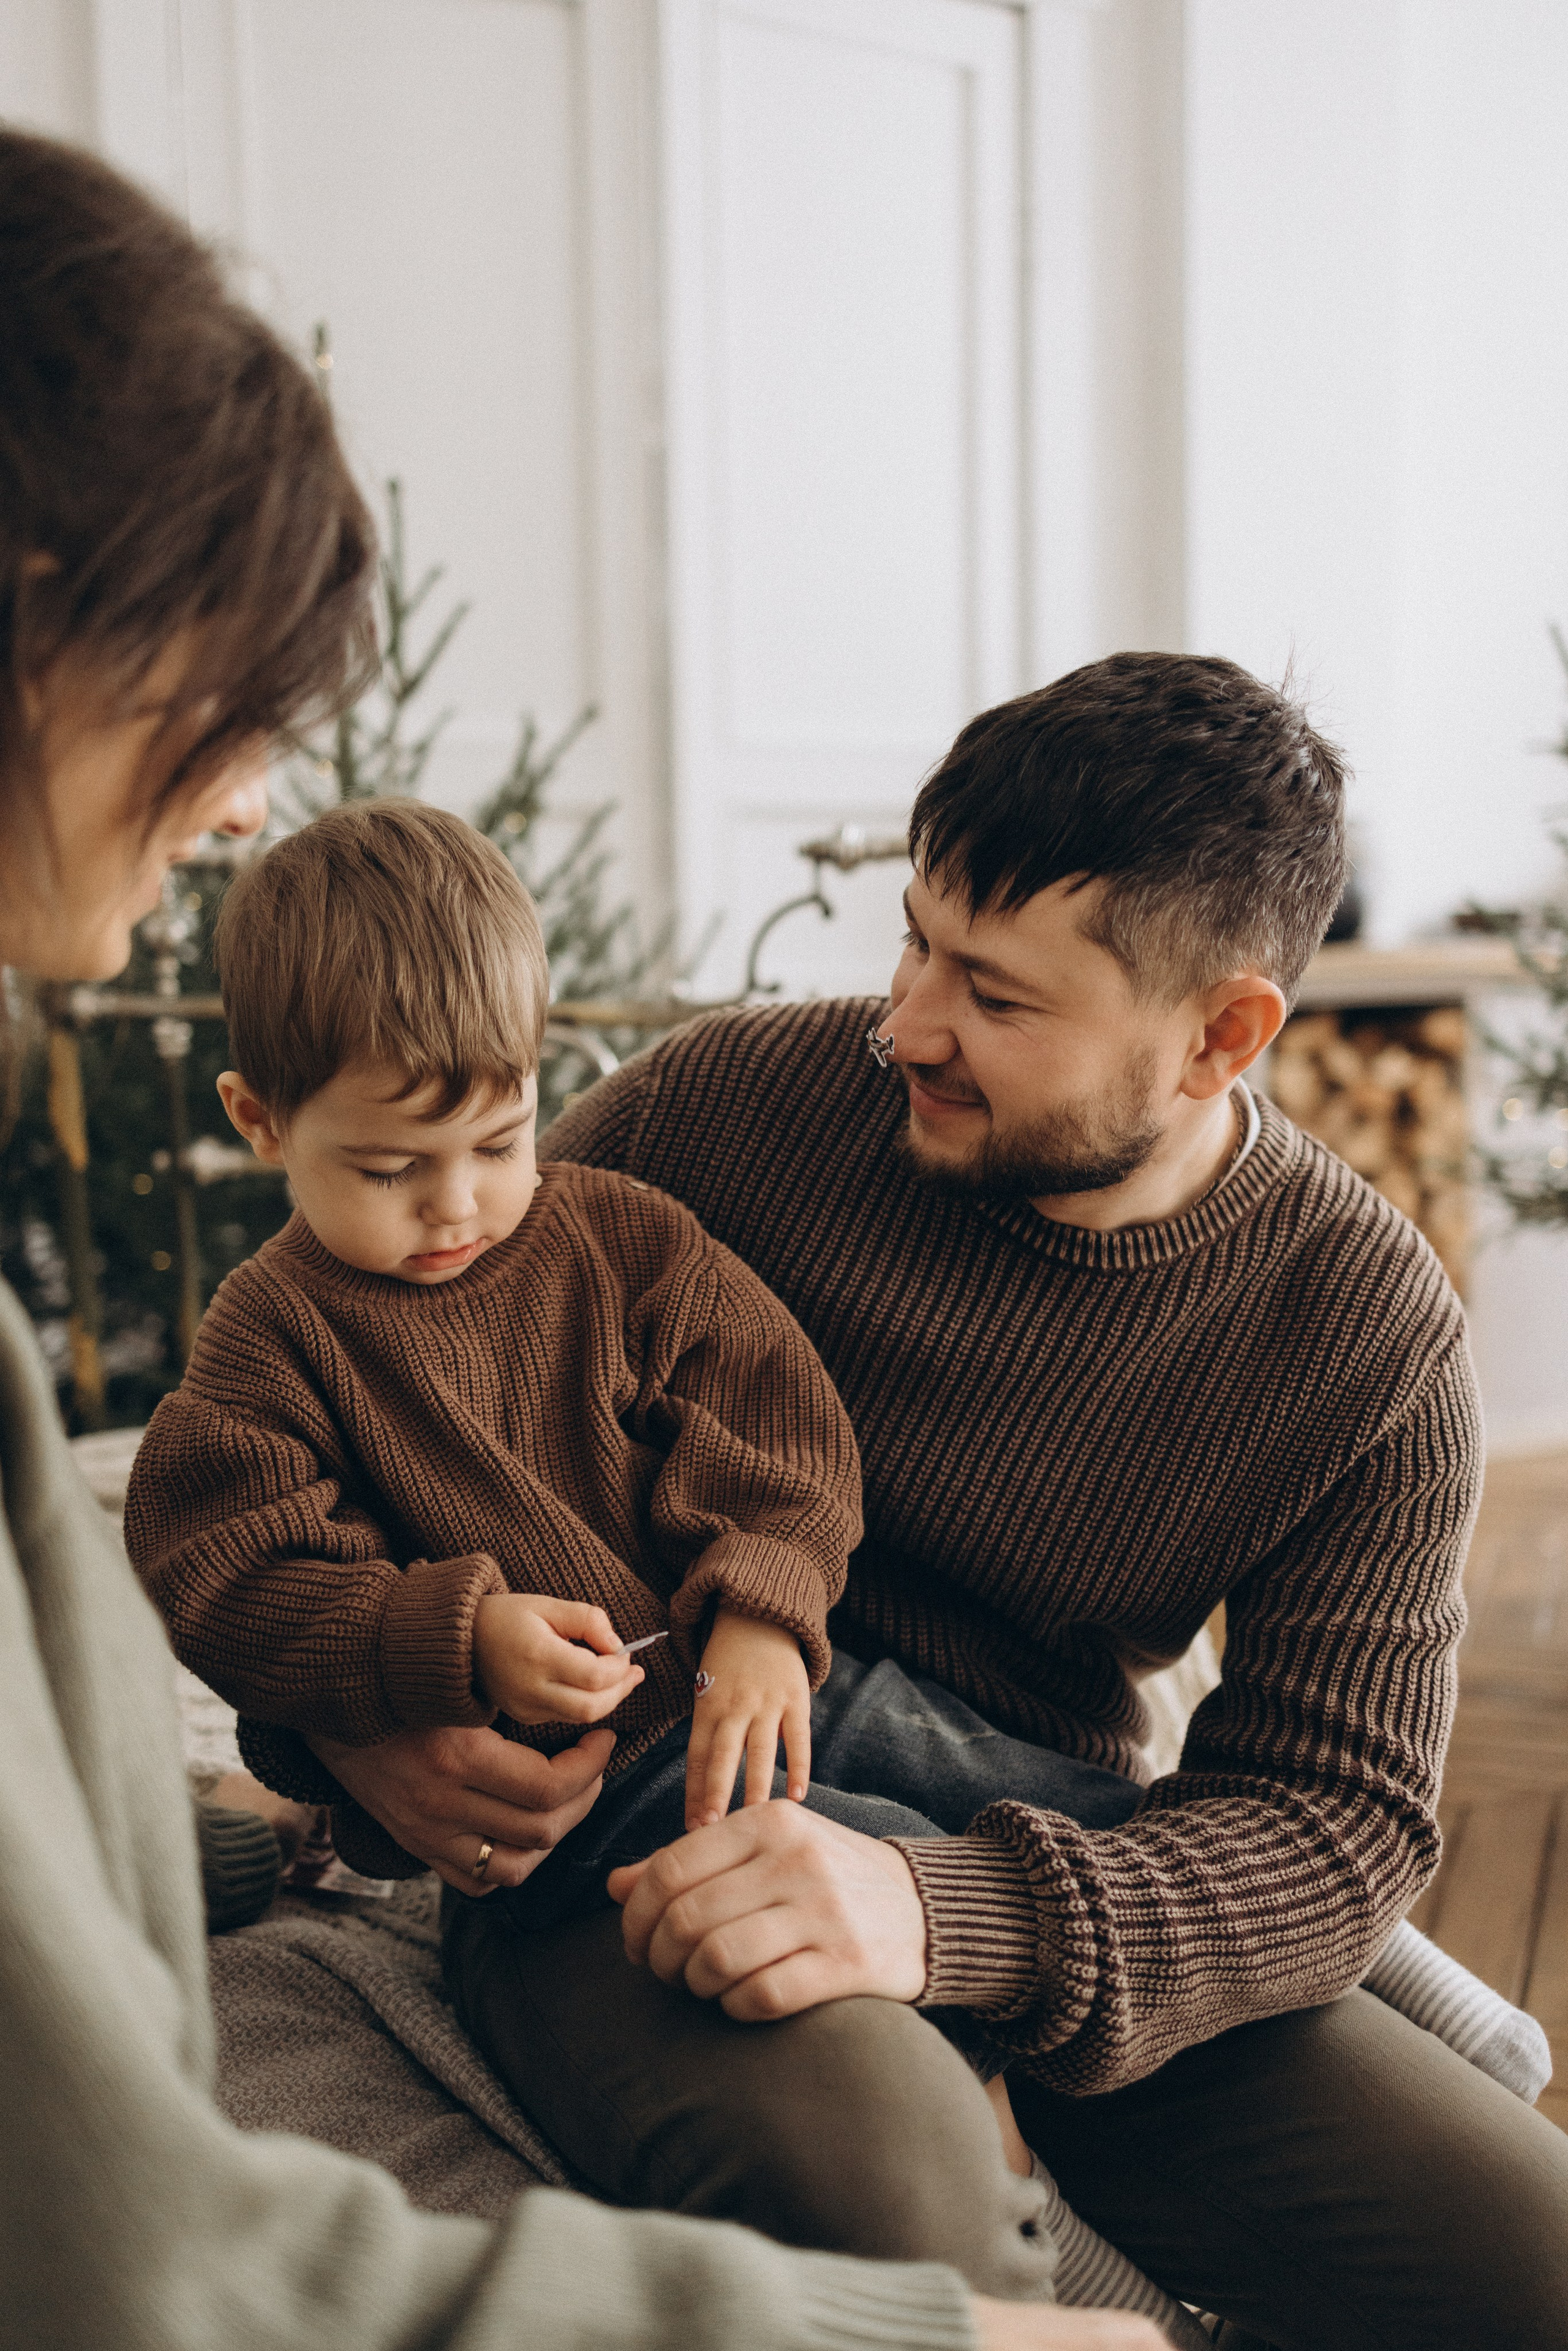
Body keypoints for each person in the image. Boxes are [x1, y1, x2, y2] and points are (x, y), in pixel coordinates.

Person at [0, 120, 1165, 2351]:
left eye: (495, 1145)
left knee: (1009, 1785)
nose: (244, 793)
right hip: (567, 1824)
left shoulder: (621, 1218)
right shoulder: (276, 1340)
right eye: (208, 691)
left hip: (765, 1697)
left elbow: (772, 1427)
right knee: (852, 2026)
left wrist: (754, 1617)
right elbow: (222, 1563)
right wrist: (415, 1672)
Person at [316, 653, 1568, 2350]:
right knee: (910, 2223)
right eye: (914, 940)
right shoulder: (727, 1113)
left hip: (1028, 1866)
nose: (908, 1021)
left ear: (1223, 1035)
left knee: (1530, 2263)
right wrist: (350, 1724)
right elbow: (354, 1397)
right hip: (644, 1823)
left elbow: (1335, 1831)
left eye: (994, 993)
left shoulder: (1364, 1333)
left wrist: (941, 1914)